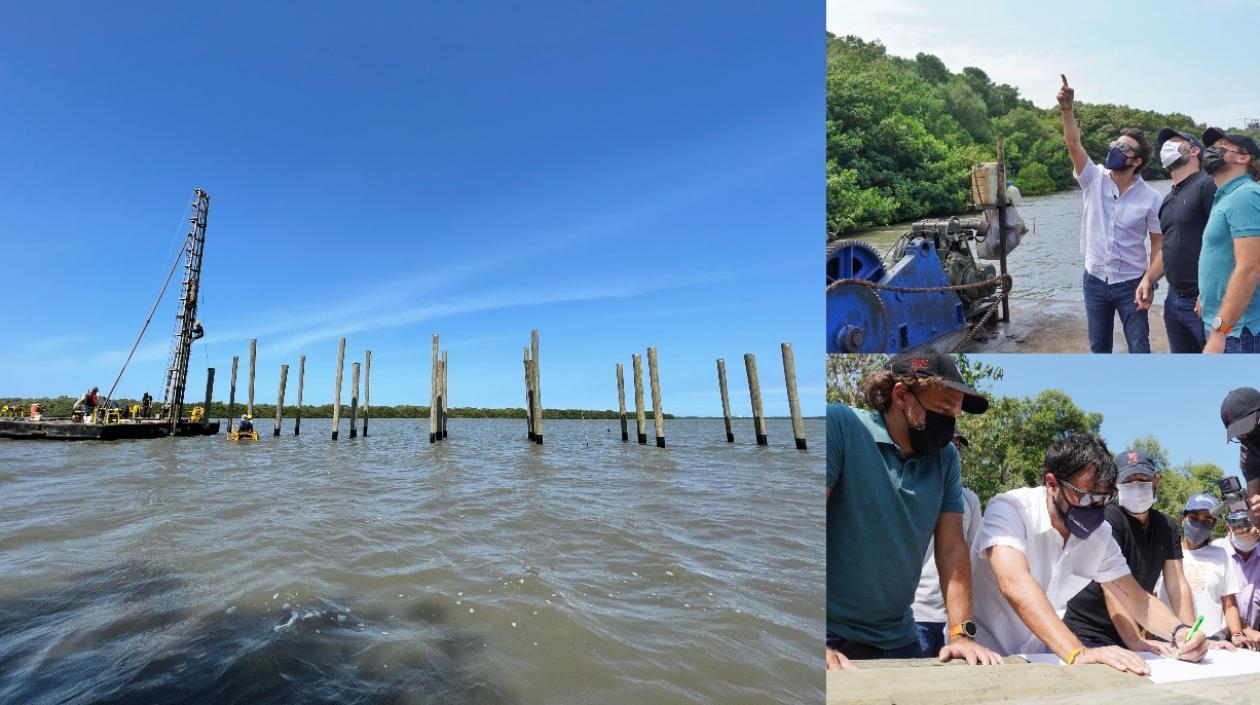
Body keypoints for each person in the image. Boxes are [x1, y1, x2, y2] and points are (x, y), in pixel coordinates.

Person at [970, 434, 1208, 673]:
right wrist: (1078, 651)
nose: (1096, 509)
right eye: (1087, 497)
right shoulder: (1010, 508)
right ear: (1052, 484)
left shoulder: (1100, 534)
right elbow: (1014, 582)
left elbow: (1137, 599)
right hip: (984, 657)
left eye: (1104, 498)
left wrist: (1180, 632)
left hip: (1041, 658)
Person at [827, 354, 1002, 669]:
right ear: (900, 395)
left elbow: (951, 549)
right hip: (832, 635)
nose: (949, 425)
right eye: (941, 411)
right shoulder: (842, 426)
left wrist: (962, 634)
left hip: (898, 636)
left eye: (955, 414)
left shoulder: (945, 459)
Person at [1057, 75, 1163, 353]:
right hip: (1094, 280)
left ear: (1137, 161)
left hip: (1132, 283)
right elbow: (1073, 145)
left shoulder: (1151, 198)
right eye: (1115, 144)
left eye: (1124, 148)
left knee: (1140, 347)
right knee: (1099, 347)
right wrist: (1067, 110)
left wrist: (1149, 280)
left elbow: (1158, 244)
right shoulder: (1093, 179)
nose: (1116, 150)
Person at [1061, 449, 1194, 654]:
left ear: (1155, 481)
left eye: (1142, 479)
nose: (1136, 487)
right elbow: (1111, 586)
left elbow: (1177, 584)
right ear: (1115, 485)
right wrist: (1134, 640)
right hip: (1087, 632)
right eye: (1128, 482)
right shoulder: (1106, 518)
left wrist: (1190, 635)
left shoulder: (1167, 526)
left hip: (1126, 635)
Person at [1141, 129, 1217, 352]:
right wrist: (1149, 278)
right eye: (1165, 144)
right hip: (1173, 302)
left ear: (1194, 151)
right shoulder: (1168, 198)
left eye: (1175, 143)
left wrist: (1211, 292)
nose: (1167, 147)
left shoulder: (1207, 185)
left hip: (1203, 303)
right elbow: (1169, 247)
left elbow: (1228, 243)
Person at [1162, 494, 1257, 648]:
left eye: (1207, 520)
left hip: (1215, 643)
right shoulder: (1164, 554)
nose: (1200, 523)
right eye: (1193, 517)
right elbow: (1151, 599)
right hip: (1169, 641)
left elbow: (1229, 605)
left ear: (1213, 525)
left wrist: (1237, 634)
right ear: (1182, 519)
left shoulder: (1221, 555)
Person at [1198, 129, 1260, 354]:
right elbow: (1223, 257)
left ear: (1243, 158)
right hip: (1225, 326)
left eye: (1221, 145)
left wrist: (1219, 330)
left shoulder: (1245, 195)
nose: (1212, 150)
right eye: (1212, 146)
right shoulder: (1226, 197)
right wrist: (1205, 295)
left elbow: (1250, 268)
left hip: (1238, 333)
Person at [1213, 521, 1260, 636]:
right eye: (1240, 528)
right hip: (1217, 639)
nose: (1246, 533)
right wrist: (1245, 630)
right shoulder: (1214, 552)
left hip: (1253, 641)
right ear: (1228, 527)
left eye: (1250, 529)